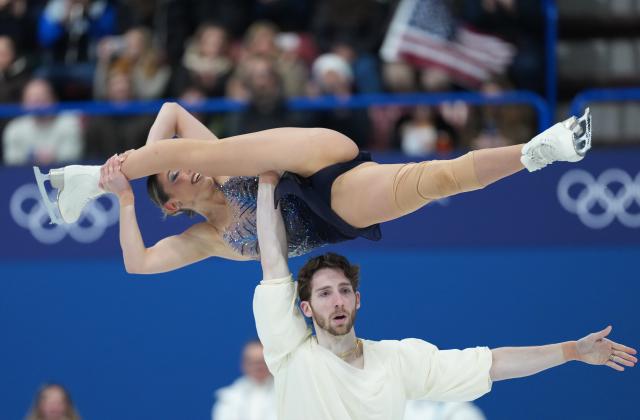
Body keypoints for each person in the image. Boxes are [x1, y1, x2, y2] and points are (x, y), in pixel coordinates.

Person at [251, 173, 637, 420]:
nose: (336, 300)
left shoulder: (398, 361)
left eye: (343, 291)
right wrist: (267, 180)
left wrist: (570, 350)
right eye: (324, 294)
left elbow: (492, 365)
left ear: (357, 301)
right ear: (305, 308)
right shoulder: (290, 352)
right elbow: (273, 263)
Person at [37, 103, 591, 273]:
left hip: (302, 156)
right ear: (175, 204)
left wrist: (132, 166)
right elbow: (136, 264)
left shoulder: (217, 166)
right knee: (433, 179)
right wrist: (127, 199)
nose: (190, 174)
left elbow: (172, 112)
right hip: (333, 202)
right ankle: (538, 152)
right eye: (176, 182)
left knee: (206, 149)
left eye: (175, 168)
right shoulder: (204, 241)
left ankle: (89, 179)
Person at [211, 340, 277, 420]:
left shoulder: (285, 392)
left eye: (262, 362)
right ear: (243, 364)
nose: (258, 367)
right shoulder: (229, 397)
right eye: (252, 362)